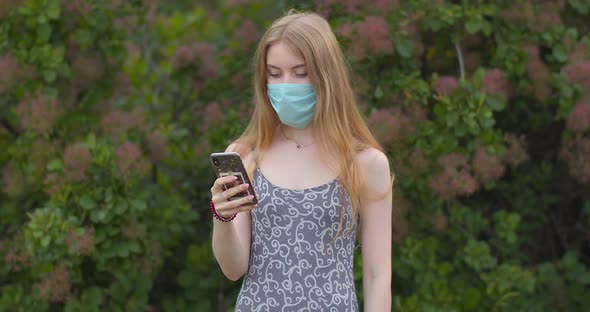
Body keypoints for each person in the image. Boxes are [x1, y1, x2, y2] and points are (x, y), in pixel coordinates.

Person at [210, 10, 393, 312]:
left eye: (300, 72)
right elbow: (233, 269)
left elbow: (377, 275)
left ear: (326, 74)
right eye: (274, 73)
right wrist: (222, 215)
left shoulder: (365, 162)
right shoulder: (247, 155)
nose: (286, 84)